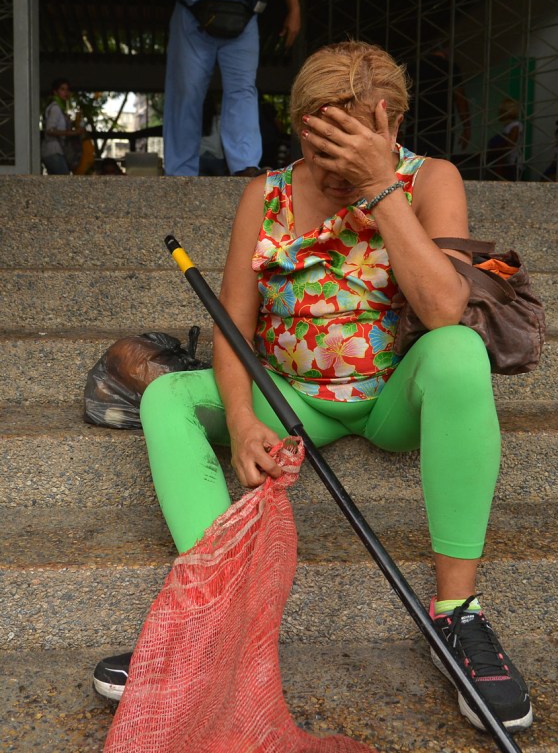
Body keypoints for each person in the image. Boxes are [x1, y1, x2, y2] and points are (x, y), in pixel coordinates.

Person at [93, 40, 533, 735]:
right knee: (165, 396)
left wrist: (379, 185)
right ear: (302, 125)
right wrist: (240, 418)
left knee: (457, 352)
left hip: (392, 396)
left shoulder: (432, 179)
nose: (333, 162)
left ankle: (457, 618)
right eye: (322, 138)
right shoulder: (263, 194)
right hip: (292, 397)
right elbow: (234, 331)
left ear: (388, 123)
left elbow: (444, 308)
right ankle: (215, 622)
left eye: (354, 138)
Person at [142, 0, 301, 177]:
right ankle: (179, 171)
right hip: (191, 11)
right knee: (185, 92)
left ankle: (245, 165)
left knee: (242, 89)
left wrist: (295, 8)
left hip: (244, 16)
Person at [404, 44, 471, 158]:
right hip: (442, 125)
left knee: (412, 167)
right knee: (438, 164)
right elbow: (460, 98)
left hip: (414, 126)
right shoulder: (449, 67)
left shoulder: (411, 68)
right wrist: (467, 127)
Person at [41, 78, 84, 175]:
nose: (66, 92)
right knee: (64, 181)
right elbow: (50, 130)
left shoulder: (60, 108)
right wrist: (73, 132)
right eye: (62, 89)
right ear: (55, 92)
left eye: (67, 90)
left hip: (55, 151)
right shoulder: (55, 108)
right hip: (53, 151)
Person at [486, 97, 523, 181]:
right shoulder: (507, 126)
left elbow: (510, 144)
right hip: (505, 163)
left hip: (513, 163)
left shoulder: (515, 125)